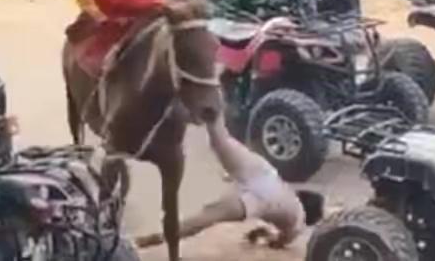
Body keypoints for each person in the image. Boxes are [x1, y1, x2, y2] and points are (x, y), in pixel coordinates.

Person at [133, 107, 323, 250]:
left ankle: (209, 102)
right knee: (205, 217)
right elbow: (280, 241)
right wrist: (267, 235)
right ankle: (157, 238)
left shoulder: (290, 193)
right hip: (263, 200)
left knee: (220, 139)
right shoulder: (298, 221)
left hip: (265, 174)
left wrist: (265, 231)